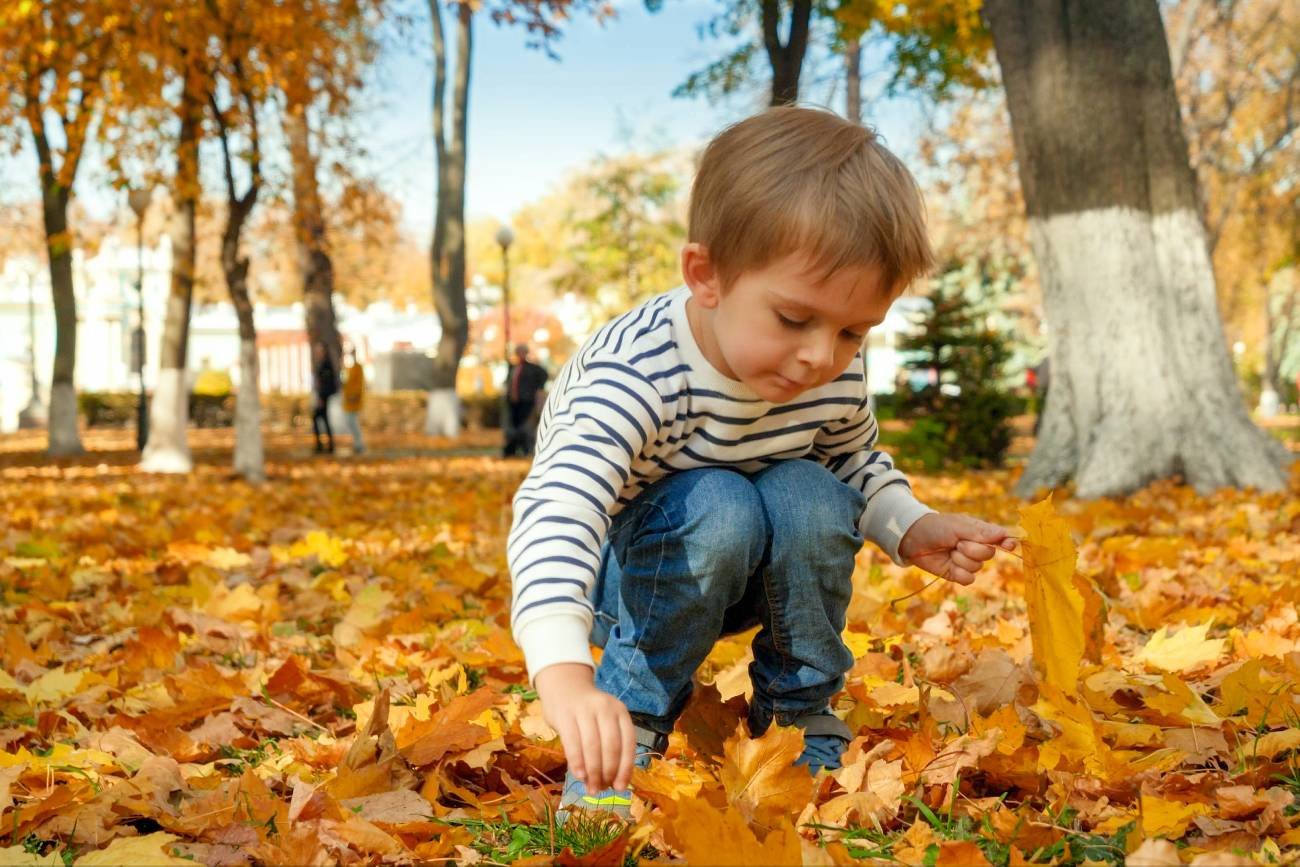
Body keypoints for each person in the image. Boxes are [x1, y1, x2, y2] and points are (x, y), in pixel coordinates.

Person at [507, 106, 1018, 821]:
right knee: (719, 500)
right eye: (793, 319)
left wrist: (910, 522)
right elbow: (561, 507)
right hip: (624, 580)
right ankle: (632, 726)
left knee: (808, 489)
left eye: (852, 330)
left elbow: (850, 457)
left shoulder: (831, 366)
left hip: (748, 565)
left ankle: (797, 723)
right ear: (707, 274)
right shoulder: (635, 376)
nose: (821, 355)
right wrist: (562, 669)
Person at [502, 343, 548, 458]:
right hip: (513, 403)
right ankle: (512, 451)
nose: (520, 355)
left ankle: (526, 450)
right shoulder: (512, 367)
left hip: (526, 401)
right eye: (518, 352)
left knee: (525, 428)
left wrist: (538, 389)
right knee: (512, 428)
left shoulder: (533, 368)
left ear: (526, 353)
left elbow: (544, 376)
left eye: (522, 352)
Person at [311, 342, 337, 454]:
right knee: (322, 420)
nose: (317, 353)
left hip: (324, 397)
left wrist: (321, 397)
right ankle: (326, 445)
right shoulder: (321, 364)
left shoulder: (326, 365)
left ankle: (324, 445)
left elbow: (326, 383)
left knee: (320, 419)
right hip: (321, 396)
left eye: (319, 351)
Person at [342, 347, 366, 454]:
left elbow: (359, 384)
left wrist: (355, 395)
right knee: (350, 421)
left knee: (353, 422)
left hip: (354, 399)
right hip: (348, 399)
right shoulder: (349, 368)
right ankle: (357, 443)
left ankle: (359, 444)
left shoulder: (358, 367)